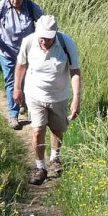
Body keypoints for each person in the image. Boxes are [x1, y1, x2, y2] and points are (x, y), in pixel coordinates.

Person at [14, 15, 82, 185]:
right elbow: (21, 65)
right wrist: (17, 88)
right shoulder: (29, 42)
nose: (43, 41)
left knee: (57, 130)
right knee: (37, 130)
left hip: (58, 96)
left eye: (48, 38)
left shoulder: (66, 43)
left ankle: (55, 158)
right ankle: (40, 167)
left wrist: (76, 99)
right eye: (41, 37)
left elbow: (75, 72)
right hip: (35, 94)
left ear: (55, 34)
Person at [0, 0, 44, 130]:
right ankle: (13, 114)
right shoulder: (2, 5)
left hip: (27, 52)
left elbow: (44, 22)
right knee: (11, 82)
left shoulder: (30, 6)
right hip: (6, 50)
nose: (16, 1)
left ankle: (25, 104)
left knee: (27, 80)